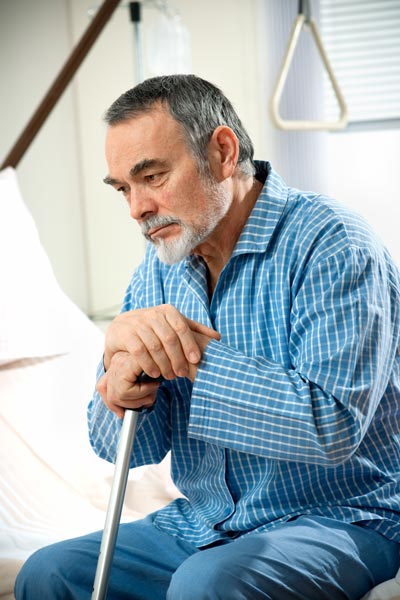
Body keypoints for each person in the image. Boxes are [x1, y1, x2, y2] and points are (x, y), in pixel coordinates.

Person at [15, 74, 400, 600]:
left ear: (222, 152)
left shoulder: (334, 245)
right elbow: (125, 450)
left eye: (151, 176)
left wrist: (192, 354)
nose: (136, 209)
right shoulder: (155, 273)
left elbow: (332, 427)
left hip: (342, 517)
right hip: (205, 522)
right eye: (124, 189)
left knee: (207, 584)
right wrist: (121, 387)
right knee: (47, 572)